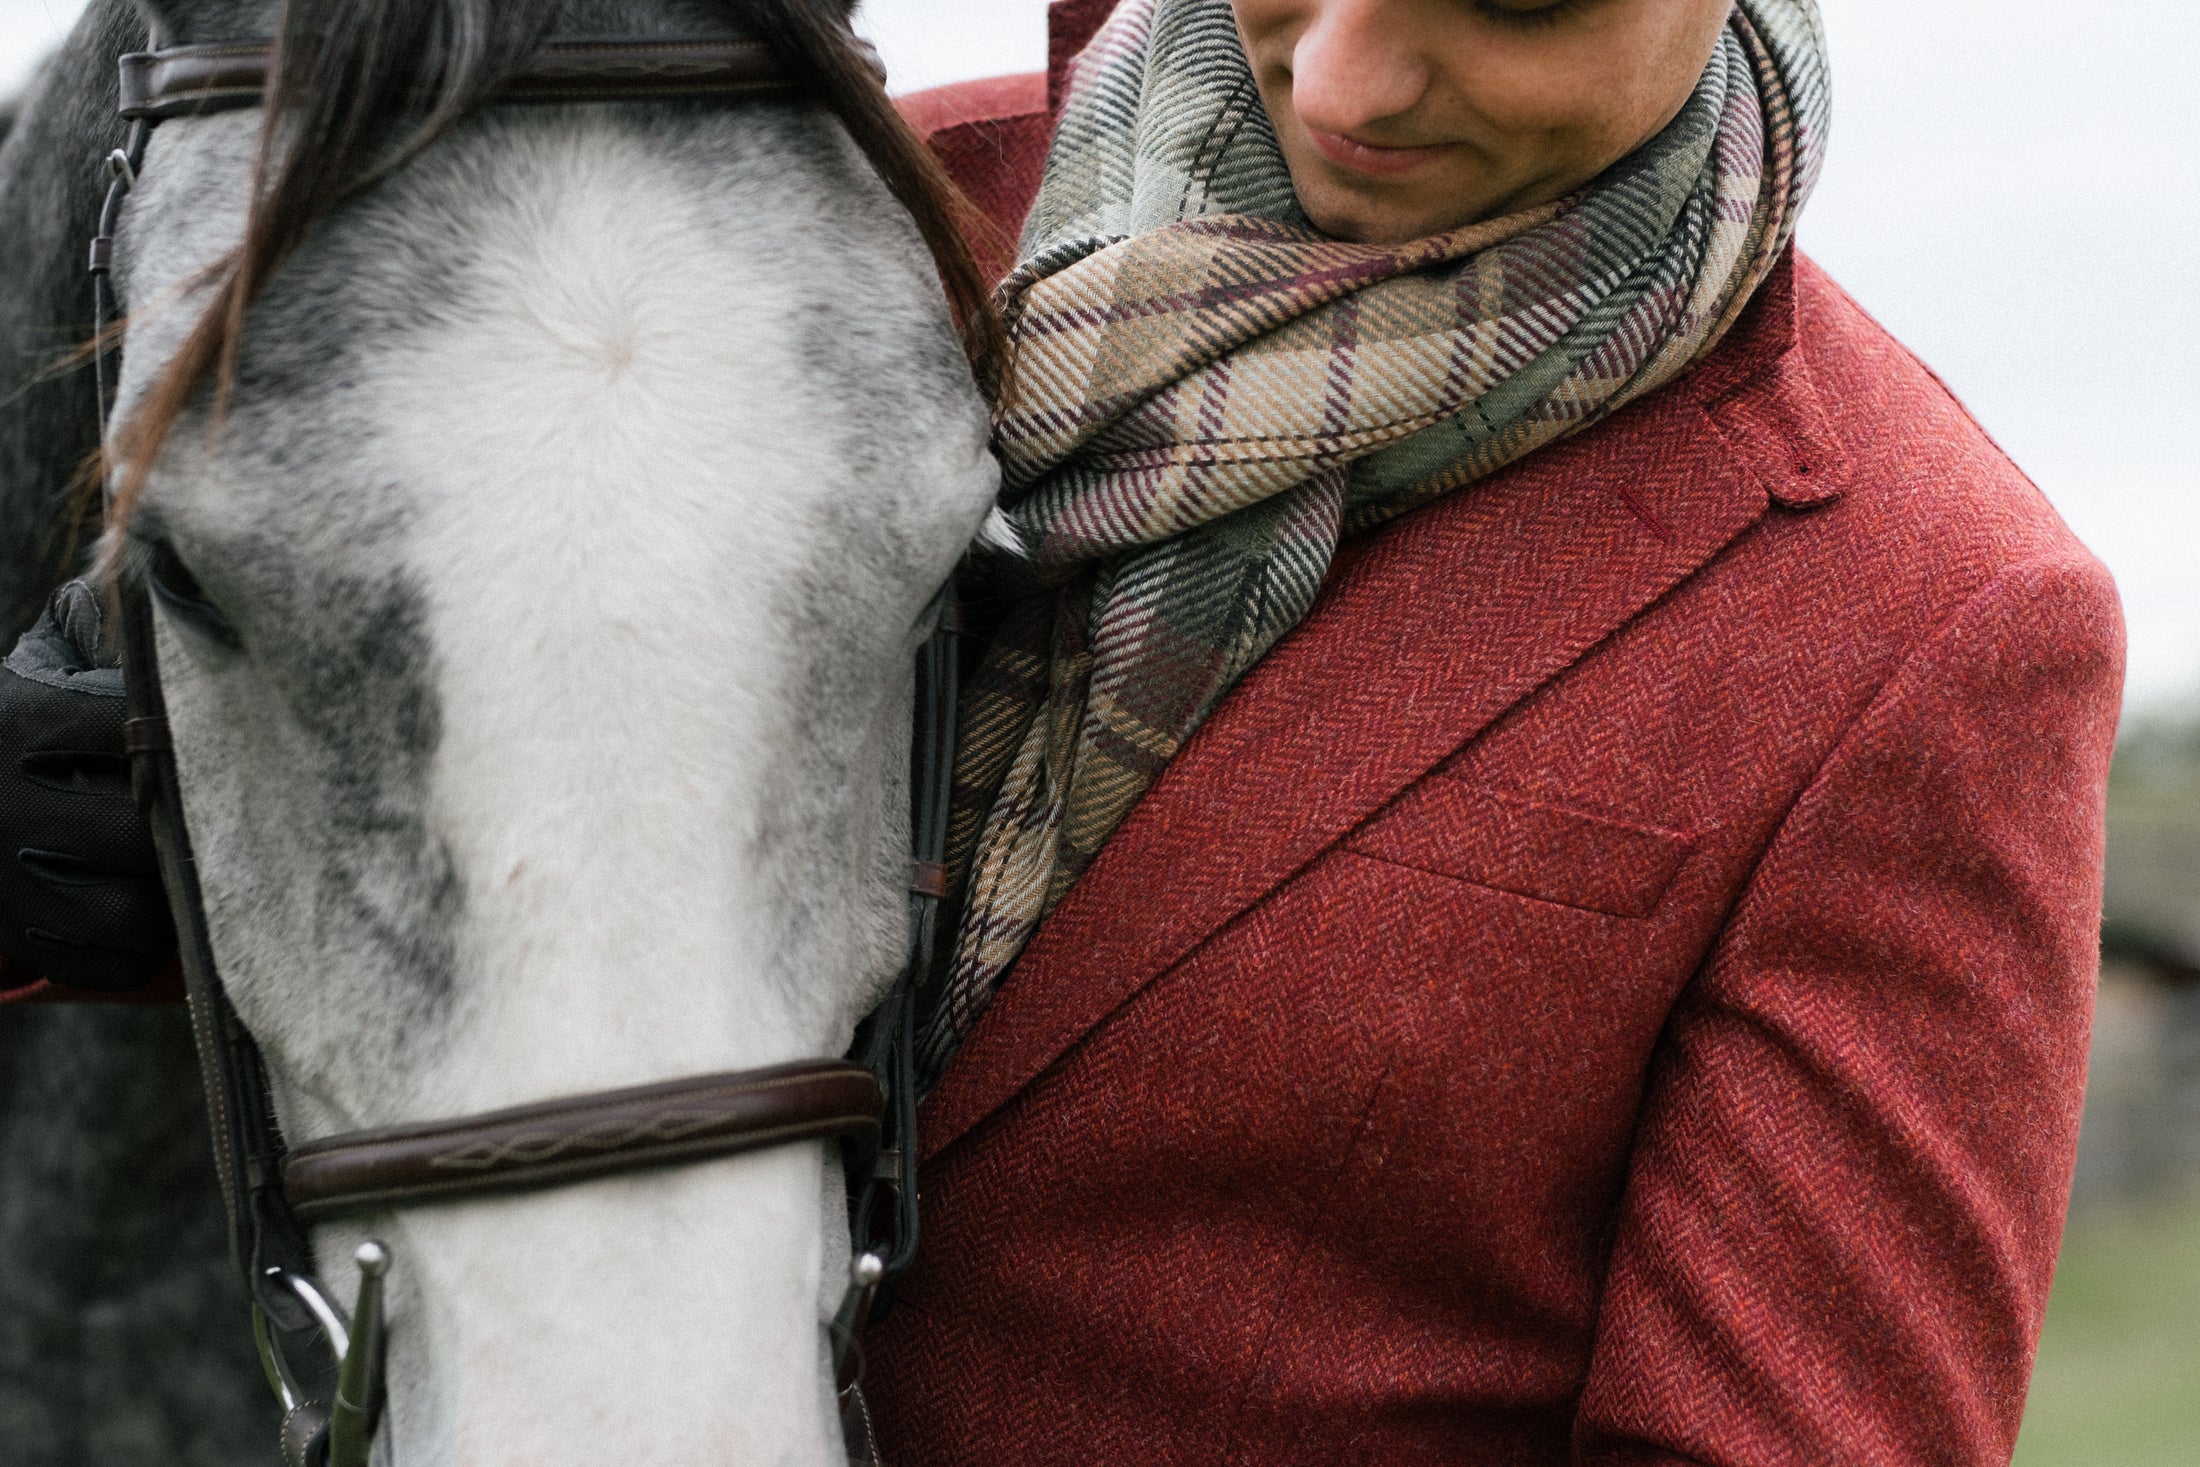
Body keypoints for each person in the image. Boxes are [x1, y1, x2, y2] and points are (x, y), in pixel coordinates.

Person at [0, 0, 2124, 1462]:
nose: (1353, 72)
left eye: (1515, 2)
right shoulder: (832, 235)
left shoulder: (1923, 625)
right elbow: (512, 804)